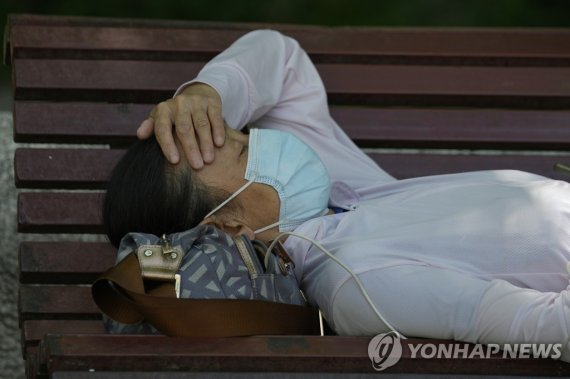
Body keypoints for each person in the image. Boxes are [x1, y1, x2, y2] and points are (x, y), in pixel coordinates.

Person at [104, 29, 570, 360]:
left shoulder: (339, 197)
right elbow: (545, 329)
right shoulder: (359, 283)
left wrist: (207, 93)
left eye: (240, 130)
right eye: (245, 148)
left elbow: (281, 58)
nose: (263, 139)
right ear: (229, 225)